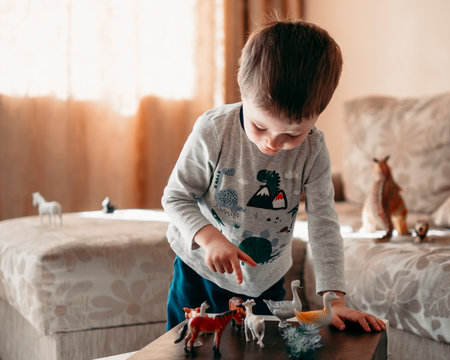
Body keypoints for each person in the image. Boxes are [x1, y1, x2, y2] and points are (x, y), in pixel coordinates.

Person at [162, 18, 386, 333]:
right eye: (260, 126)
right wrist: (209, 238)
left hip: (266, 281)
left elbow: (324, 225)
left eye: (292, 135)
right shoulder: (214, 130)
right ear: (242, 87)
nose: (272, 143)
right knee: (188, 346)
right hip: (200, 272)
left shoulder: (314, 150)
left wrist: (334, 300)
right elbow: (175, 196)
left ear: (317, 115)